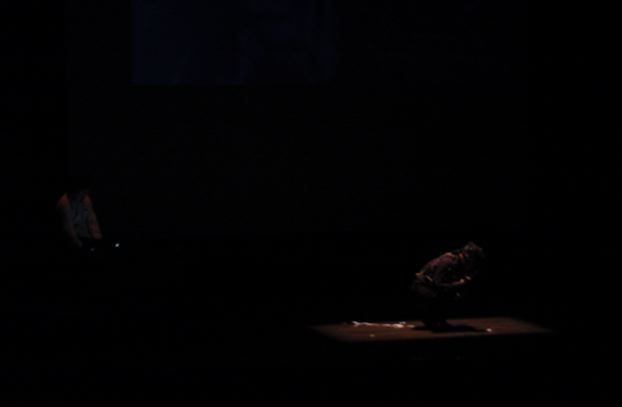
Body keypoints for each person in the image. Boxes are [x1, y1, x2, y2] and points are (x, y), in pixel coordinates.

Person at [411, 242, 485, 330]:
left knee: (453, 295)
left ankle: (436, 319)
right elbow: (438, 284)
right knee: (442, 296)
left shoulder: (458, 262)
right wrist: (460, 283)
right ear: (468, 257)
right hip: (422, 286)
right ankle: (432, 319)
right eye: (473, 261)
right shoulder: (448, 262)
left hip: (430, 285)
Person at [55, 175, 103, 251]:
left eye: (86, 191)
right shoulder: (64, 203)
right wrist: (80, 245)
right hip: (73, 242)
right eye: (84, 191)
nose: (86, 193)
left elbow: (92, 220)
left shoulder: (85, 199)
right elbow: (68, 228)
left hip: (85, 238)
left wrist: (98, 239)